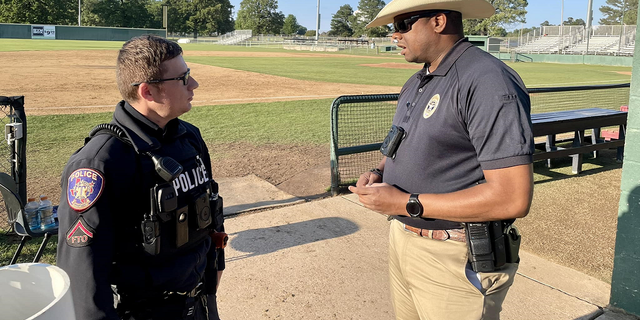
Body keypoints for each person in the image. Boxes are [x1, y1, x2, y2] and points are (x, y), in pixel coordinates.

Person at [349, 0, 534, 319]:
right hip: (404, 238)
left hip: (454, 254)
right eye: (393, 27)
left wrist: (405, 203)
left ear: (438, 21)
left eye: (403, 24)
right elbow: (400, 145)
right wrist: (377, 172)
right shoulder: (418, 80)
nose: (395, 35)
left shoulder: (486, 79)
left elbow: (512, 197)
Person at [57, 35, 225, 320]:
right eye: (183, 78)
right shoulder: (99, 163)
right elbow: (83, 273)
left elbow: (210, 210)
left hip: (199, 304)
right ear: (148, 92)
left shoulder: (189, 137)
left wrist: (213, 274)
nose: (194, 85)